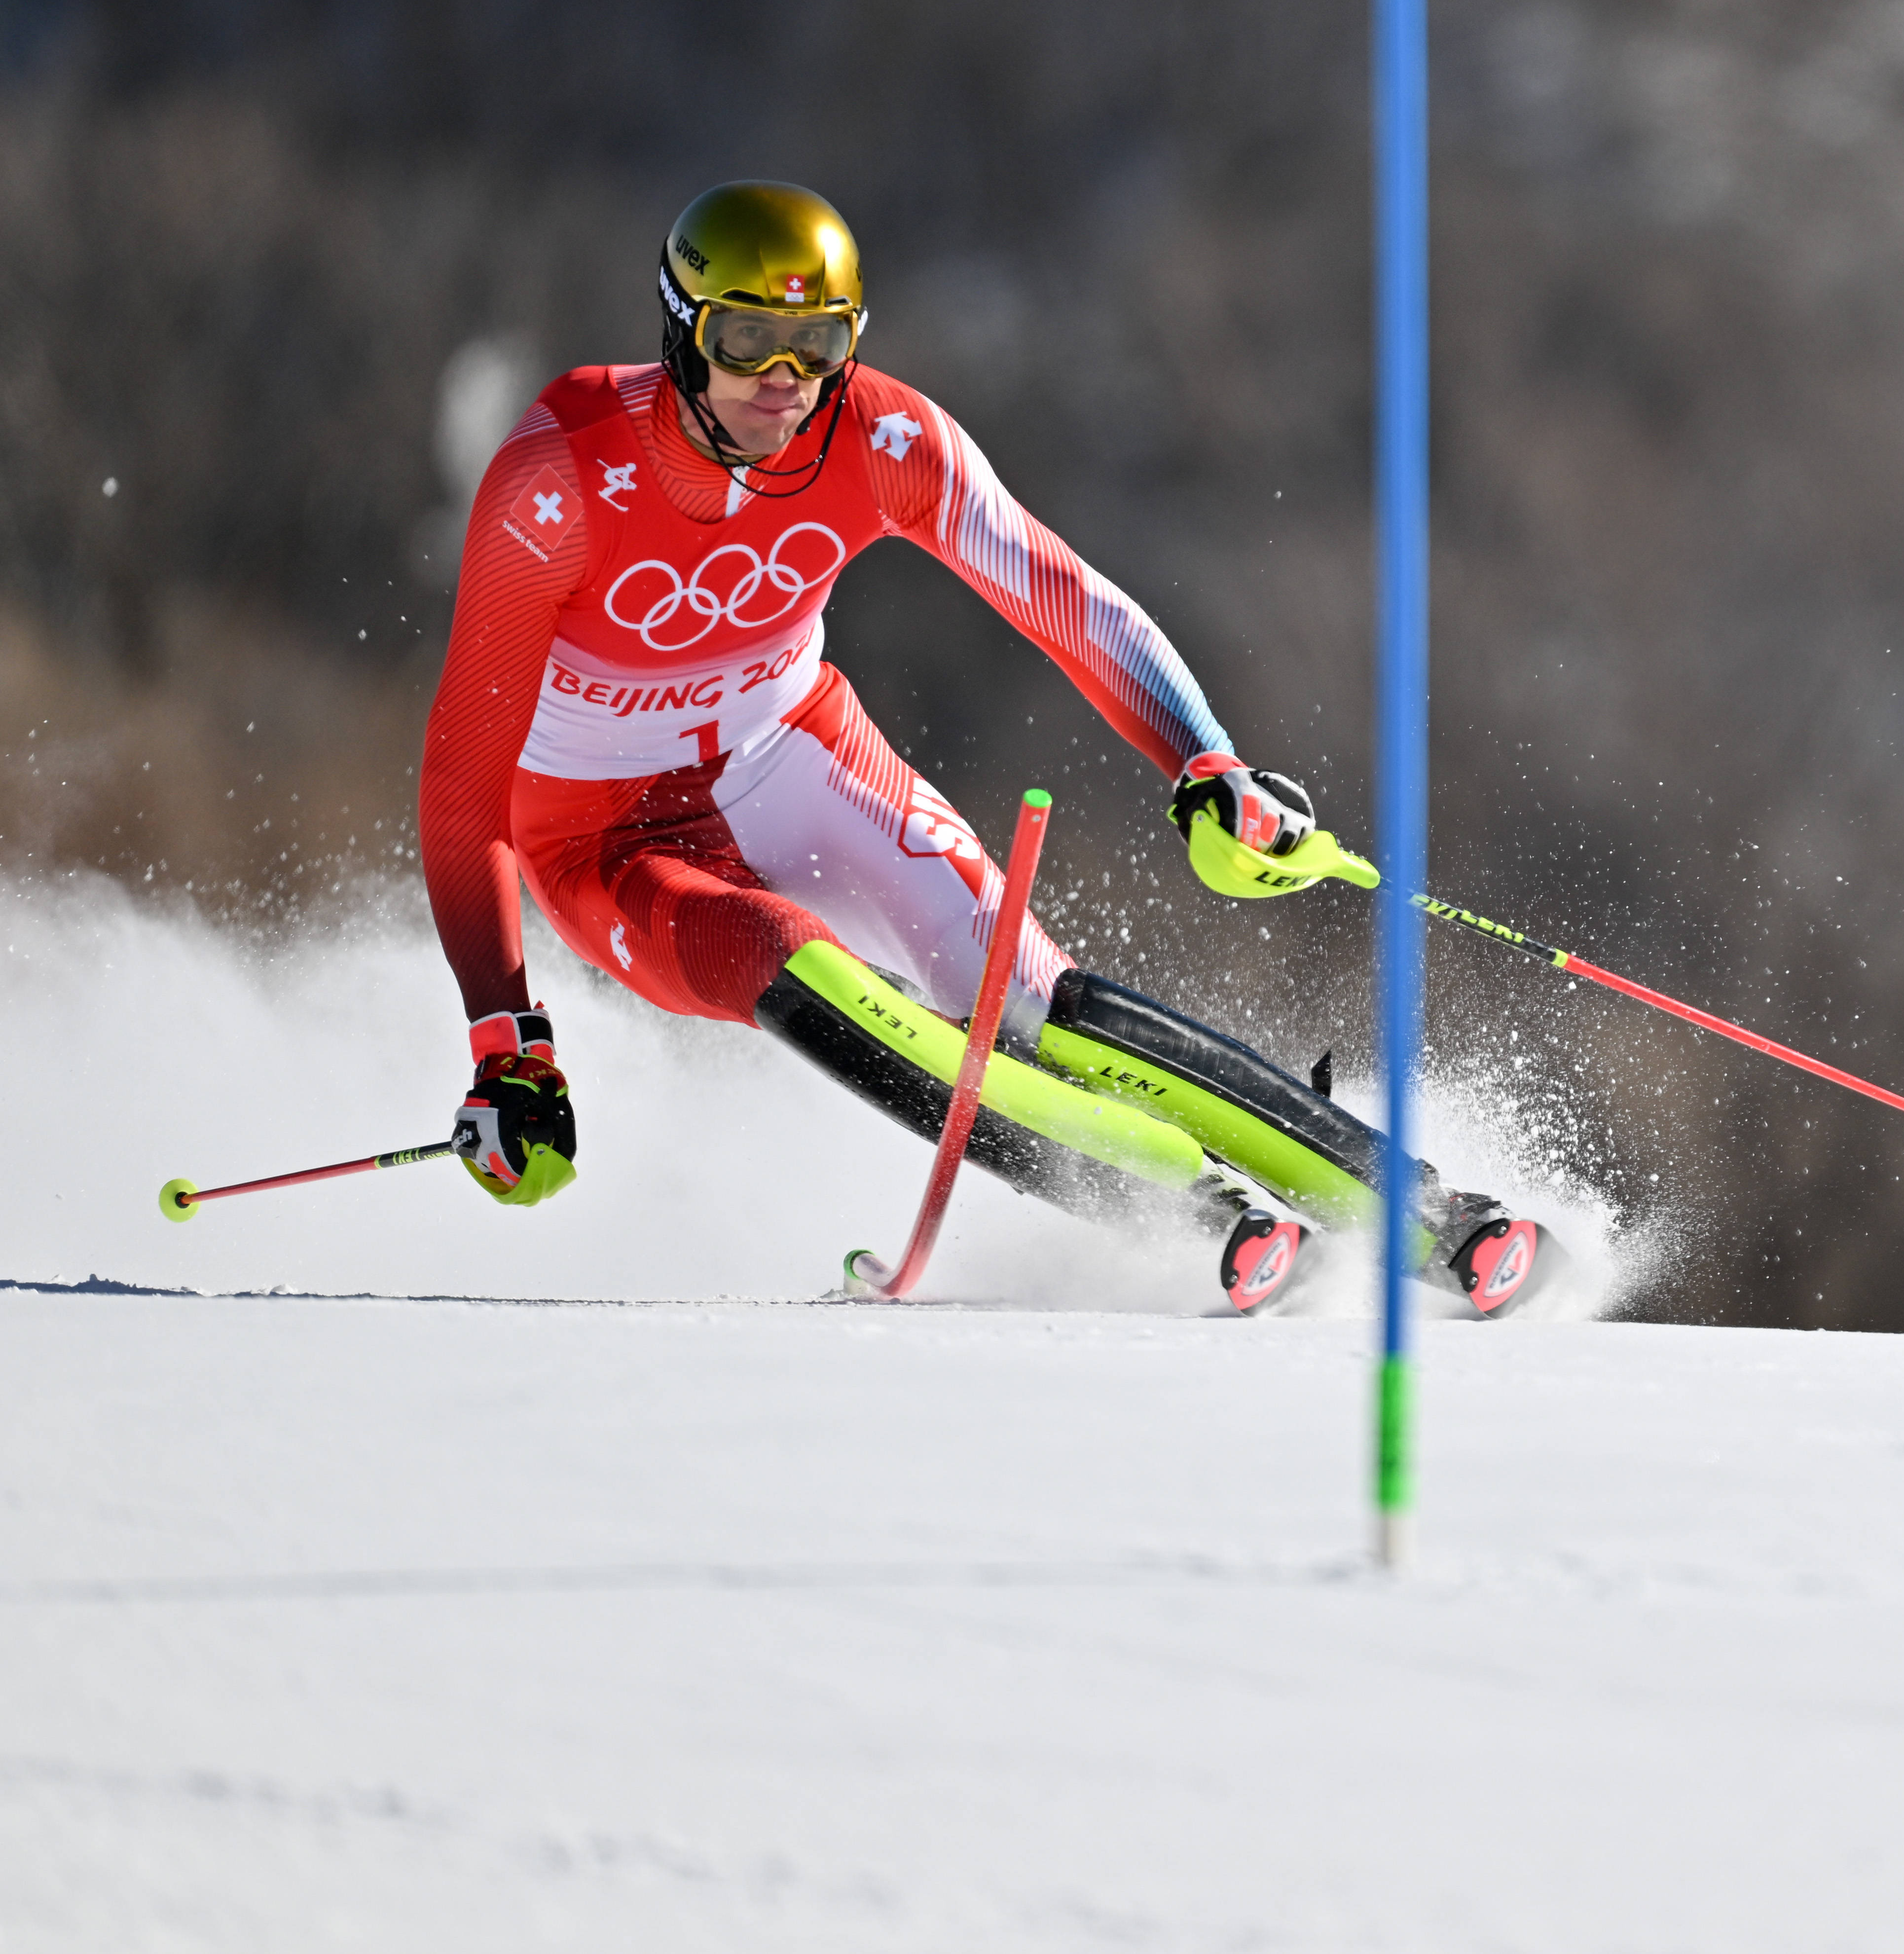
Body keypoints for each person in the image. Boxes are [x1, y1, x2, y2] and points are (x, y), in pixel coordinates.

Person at [419, 181, 1550, 1315]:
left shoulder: (881, 436)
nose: (782, 380)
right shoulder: (560, 478)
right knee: (784, 953)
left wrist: (1205, 763)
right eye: (745, 339)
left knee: (1026, 999)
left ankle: (1416, 1213)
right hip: (600, 834)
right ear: (681, 330)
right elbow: (465, 789)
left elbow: (1067, 599)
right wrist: (507, 1038)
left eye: (816, 347)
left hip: (790, 751)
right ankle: (1187, 1207)